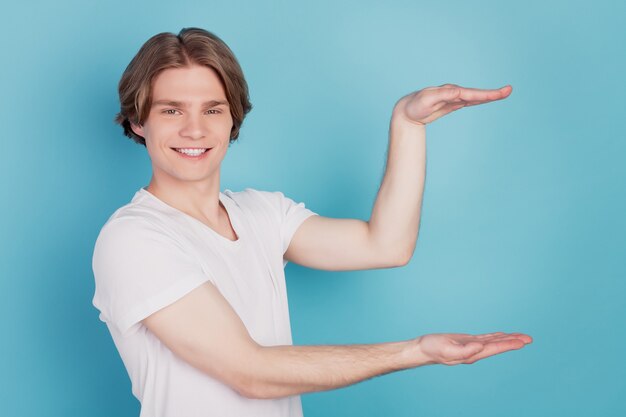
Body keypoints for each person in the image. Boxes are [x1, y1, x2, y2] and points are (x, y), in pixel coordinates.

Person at [92, 27, 532, 417]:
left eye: (212, 109)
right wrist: (414, 351)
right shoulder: (133, 238)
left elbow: (387, 245)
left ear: (232, 120)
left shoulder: (261, 213)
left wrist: (408, 124)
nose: (195, 130)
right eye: (171, 110)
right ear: (138, 121)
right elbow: (251, 373)